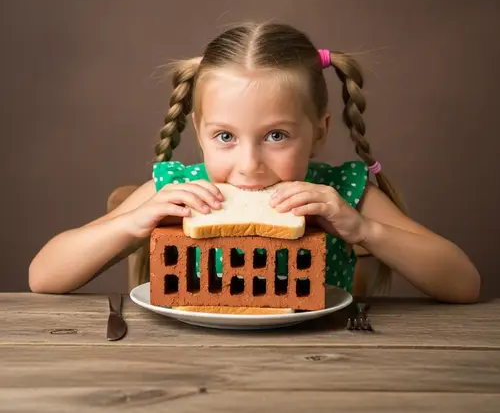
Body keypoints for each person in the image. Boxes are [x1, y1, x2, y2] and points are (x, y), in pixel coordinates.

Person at [29, 22, 480, 303]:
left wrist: (362, 230)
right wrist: (132, 225)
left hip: (322, 365)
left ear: (320, 132)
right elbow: (43, 276)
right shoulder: (178, 189)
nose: (249, 165)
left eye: (276, 136)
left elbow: (464, 284)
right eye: (225, 137)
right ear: (199, 131)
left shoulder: (342, 193)